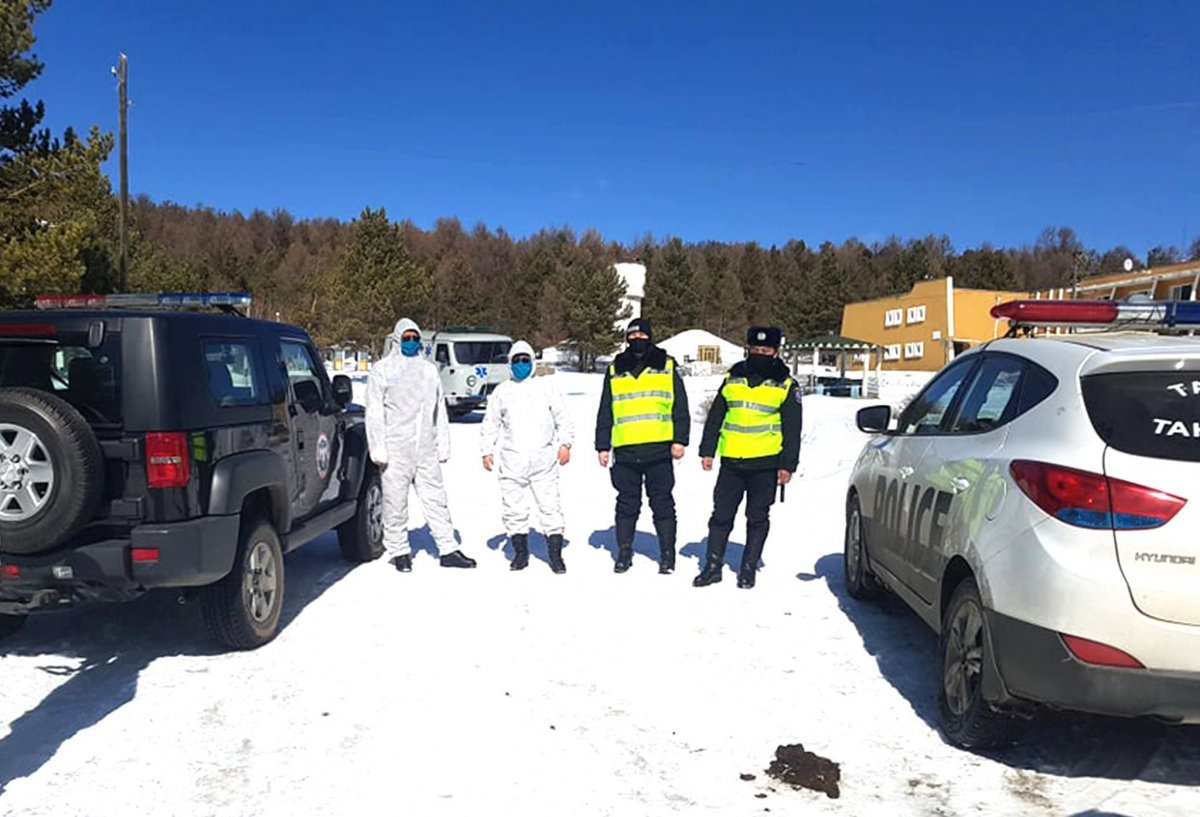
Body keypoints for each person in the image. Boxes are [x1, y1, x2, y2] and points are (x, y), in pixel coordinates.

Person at [365, 318, 477, 572]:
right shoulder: (382, 370)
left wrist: (443, 444)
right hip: (395, 448)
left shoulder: (429, 371)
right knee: (395, 502)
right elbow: (374, 412)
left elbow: (440, 411)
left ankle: (448, 548)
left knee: (436, 499)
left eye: (416, 338)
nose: (412, 342)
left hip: (425, 447)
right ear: (397, 340)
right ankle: (399, 550)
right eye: (407, 338)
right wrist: (378, 448)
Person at [693, 326, 801, 589]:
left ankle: (748, 568)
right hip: (731, 461)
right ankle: (713, 565)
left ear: (775, 352)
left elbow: (792, 428)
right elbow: (716, 415)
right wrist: (708, 450)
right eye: (755, 350)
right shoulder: (733, 377)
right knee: (721, 516)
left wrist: (787, 464)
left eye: (765, 351)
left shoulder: (786, 384)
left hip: (765, 463)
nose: (760, 354)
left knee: (757, 517)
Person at [595, 318, 690, 574]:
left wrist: (680, 439)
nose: (637, 339)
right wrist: (602, 445)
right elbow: (607, 408)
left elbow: (680, 405)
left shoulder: (666, 365)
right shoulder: (616, 368)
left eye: (642, 335)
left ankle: (667, 555)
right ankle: (624, 552)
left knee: (662, 503)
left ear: (650, 336)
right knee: (627, 504)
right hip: (625, 449)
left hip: (659, 448)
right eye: (632, 335)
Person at [480, 341, 574, 574]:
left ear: (532, 362)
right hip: (513, 462)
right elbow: (490, 423)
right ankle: (520, 553)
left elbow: (563, 419)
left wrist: (565, 444)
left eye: (525, 360)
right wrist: (486, 450)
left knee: (550, 507)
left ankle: (555, 555)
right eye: (516, 361)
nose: (521, 364)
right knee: (514, 509)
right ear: (510, 364)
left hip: (543, 460)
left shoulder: (546, 388)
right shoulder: (502, 391)